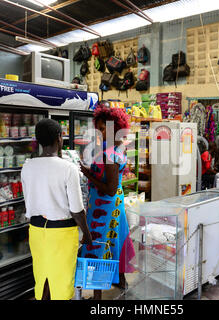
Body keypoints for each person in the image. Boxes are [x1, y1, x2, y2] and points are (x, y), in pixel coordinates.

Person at [21, 118, 92, 300]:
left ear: (38, 140)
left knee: (43, 278)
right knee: (61, 283)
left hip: (36, 231)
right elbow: (77, 210)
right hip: (62, 234)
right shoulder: (68, 168)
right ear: (59, 138)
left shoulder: (27, 167)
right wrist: (87, 233)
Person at [79, 104, 135, 300]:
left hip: (105, 205)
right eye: (99, 128)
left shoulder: (108, 154)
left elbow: (109, 189)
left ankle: (97, 297)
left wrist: (87, 174)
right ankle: (120, 280)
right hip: (112, 205)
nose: (100, 131)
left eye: (103, 128)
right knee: (114, 240)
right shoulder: (115, 149)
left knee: (99, 244)